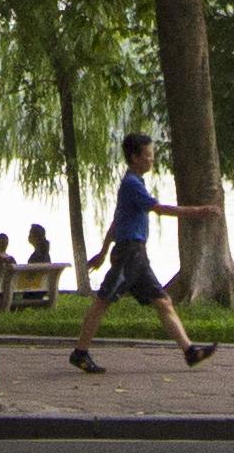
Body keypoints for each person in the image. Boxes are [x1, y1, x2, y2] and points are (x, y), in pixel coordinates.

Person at [69, 129, 210, 373]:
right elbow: (159, 209)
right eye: (147, 155)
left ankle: (190, 351)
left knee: (163, 302)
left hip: (137, 256)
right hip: (129, 255)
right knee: (103, 301)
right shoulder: (132, 185)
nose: (151, 159)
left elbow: (117, 221)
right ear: (135, 157)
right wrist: (199, 212)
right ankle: (80, 353)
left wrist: (103, 252)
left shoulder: (134, 184)